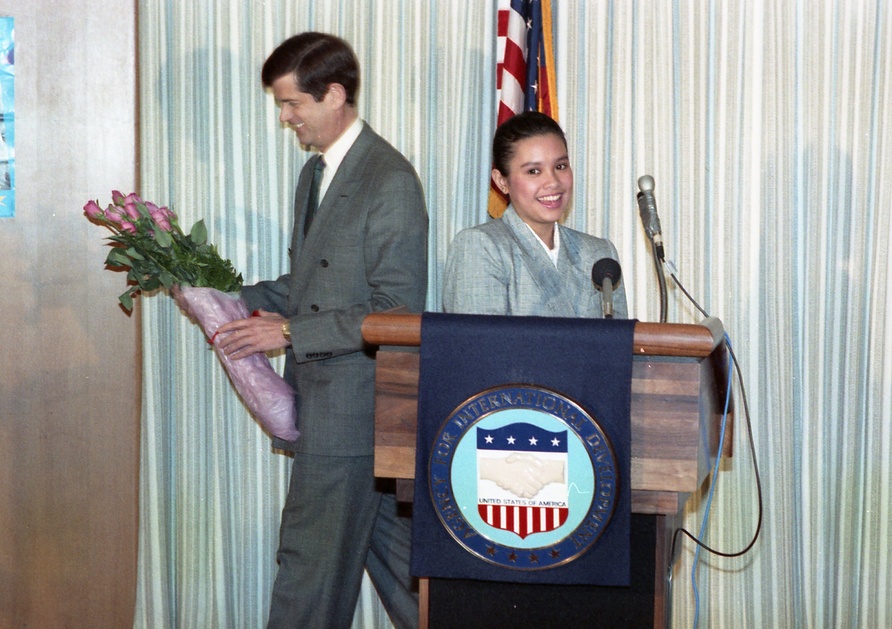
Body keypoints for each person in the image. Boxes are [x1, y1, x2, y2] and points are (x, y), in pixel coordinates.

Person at [201, 32, 426, 629]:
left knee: (307, 579)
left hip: (353, 420)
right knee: (413, 585)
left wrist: (293, 335)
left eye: (292, 104)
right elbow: (307, 286)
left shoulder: (389, 180)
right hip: (338, 416)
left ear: (334, 94)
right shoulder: (315, 175)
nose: (285, 119)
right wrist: (217, 298)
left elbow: (398, 311)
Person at [442, 111, 627, 319]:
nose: (553, 182)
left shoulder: (599, 254)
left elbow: (619, 343)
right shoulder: (481, 247)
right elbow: (480, 347)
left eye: (560, 166)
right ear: (501, 181)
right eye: (533, 171)